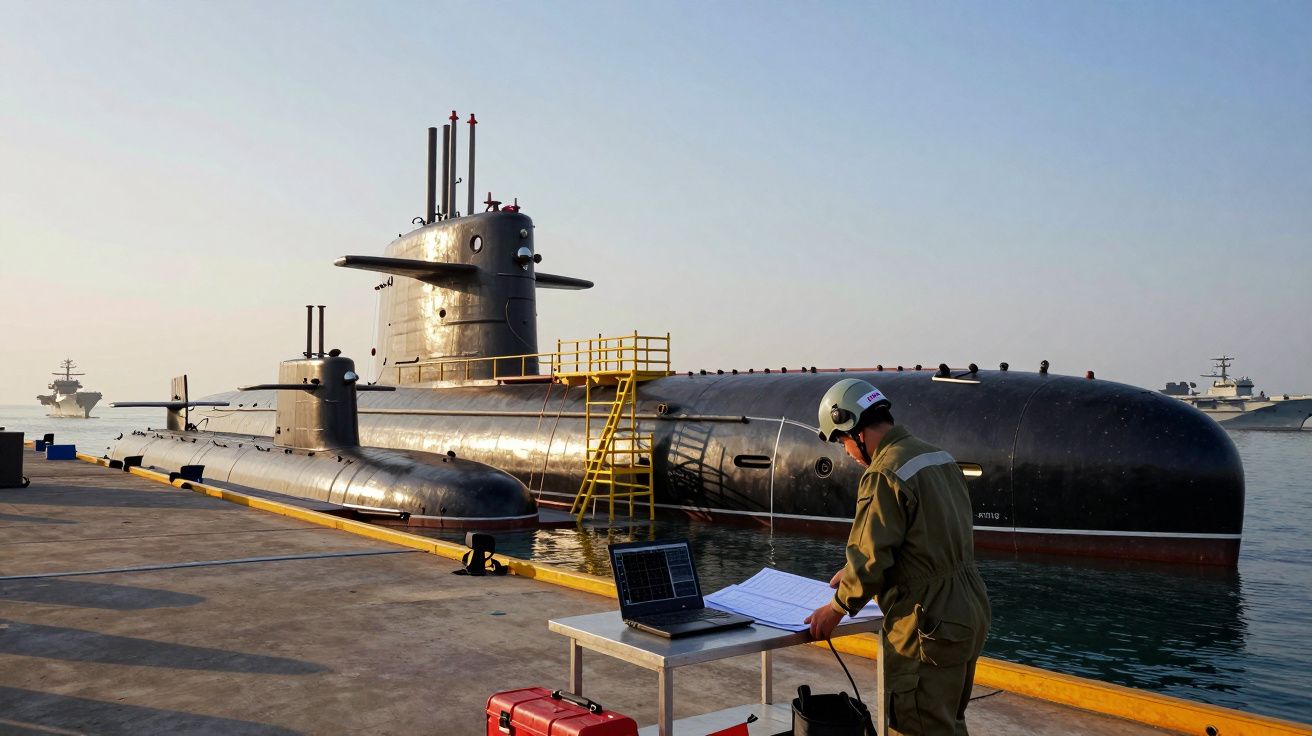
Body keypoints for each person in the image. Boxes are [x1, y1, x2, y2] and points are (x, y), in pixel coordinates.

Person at [804, 378, 991, 736]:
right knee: (948, 722)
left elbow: (870, 557)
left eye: (842, 440)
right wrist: (855, 571)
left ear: (853, 426)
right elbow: (929, 537)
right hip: (968, 611)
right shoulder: (938, 458)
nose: (845, 451)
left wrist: (837, 608)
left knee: (915, 725)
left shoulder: (883, 473)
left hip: (926, 625)